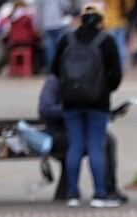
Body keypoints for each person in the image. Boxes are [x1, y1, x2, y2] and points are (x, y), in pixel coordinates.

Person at [50, 3, 123, 208]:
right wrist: (106, 88)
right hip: (98, 101)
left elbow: (55, 69)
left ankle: (72, 194)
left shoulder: (67, 39)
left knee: (75, 146)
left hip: (70, 101)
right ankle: (99, 194)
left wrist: (69, 87)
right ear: (100, 21)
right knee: (95, 146)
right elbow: (116, 73)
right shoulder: (106, 41)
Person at [38, 75, 127, 203]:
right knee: (99, 142)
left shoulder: (89, 80)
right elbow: (45, 109)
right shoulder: (55, 81)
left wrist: (110, 113)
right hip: (59, 133)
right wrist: (72, 110)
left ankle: (109, 188)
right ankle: (89, 191)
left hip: (84, 129)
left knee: (108, 140)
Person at [33, 0, 71, 73]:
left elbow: (39, 11)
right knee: (60, 47)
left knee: (50, 47)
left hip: (47, 24)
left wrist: (37, 25)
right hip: (59, 22)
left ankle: (52, 69)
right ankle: (61, 68)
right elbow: (66, 5)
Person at [94, 0, 134, 70]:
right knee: (121, 44)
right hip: (122, 21)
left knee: (109, 44)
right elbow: (130, 4)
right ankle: (121, 65)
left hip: (110, 22)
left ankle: (110, 65)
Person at [0, 0, 38, 76]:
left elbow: (8, 32)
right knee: (38, 50)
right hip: (27, 42)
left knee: (7, 50)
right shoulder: (27, 17)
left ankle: (8, 68)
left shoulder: (11, 17)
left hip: (14, 42)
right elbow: (33, 32)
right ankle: (34, 69)